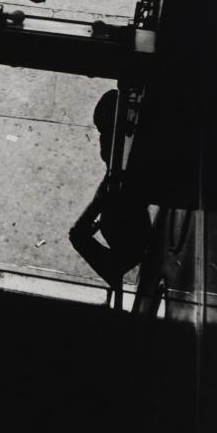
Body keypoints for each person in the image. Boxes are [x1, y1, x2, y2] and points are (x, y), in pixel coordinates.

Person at [68, 89, 151, 293]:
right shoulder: (125, 145)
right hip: (124, 219)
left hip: (124, 223)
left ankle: (115, 268)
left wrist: (97, 209)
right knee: (78, 233)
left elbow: (110, 182)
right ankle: (115, 267)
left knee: (78, 234)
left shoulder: (116, 147)